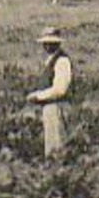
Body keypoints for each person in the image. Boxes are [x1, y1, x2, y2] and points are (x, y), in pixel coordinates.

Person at [26, 27, 73, 158]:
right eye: (45, 43)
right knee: (51, 147)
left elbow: (60, 89)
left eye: (50, 43)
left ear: (57, 43)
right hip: (50, 108)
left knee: (58, 147)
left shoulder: (62, 61)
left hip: (58, 107)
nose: (46, 46)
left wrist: (38, 96)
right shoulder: (51, 61)